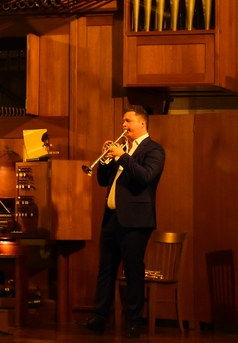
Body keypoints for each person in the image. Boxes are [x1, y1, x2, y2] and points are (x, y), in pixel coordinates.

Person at [77, 106, 165, 338]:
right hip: (112, 218)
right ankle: (99, 317)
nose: (123, 126)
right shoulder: (122, 150)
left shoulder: (154, 150)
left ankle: (135, 320)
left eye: (128, 121)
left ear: (142, 123)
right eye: (123, 122)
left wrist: (122, 156)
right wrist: (105, 161)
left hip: (136, 221)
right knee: (105, 269)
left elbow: (145, 176)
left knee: (133, 270)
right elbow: (103, 181)